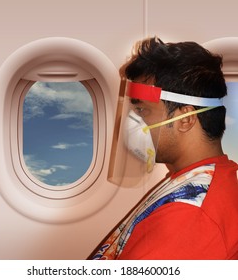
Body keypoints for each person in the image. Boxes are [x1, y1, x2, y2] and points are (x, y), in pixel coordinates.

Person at [89, 37, 238, 260]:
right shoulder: (189, 180)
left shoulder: (190, 213)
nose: (132, 122)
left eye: (143, 112)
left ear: (185, 119)